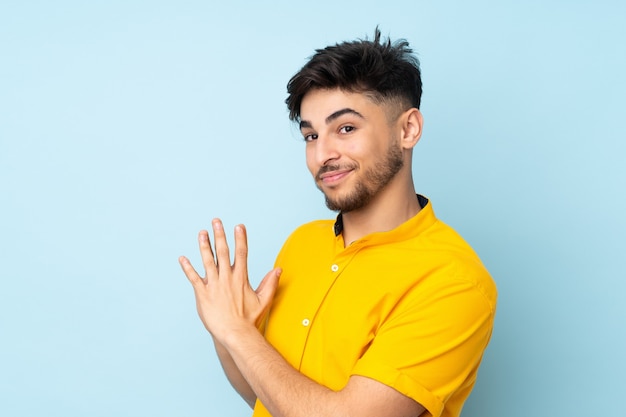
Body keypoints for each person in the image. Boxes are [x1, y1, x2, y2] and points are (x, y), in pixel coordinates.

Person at [179, 28, 497, 417]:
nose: (322, 154)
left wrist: (238, 333)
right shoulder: (302, 244)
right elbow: (265, 395)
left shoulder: (453, 281)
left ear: (408, 129)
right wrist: (223, 326)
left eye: (345, 128)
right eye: (311, 135)